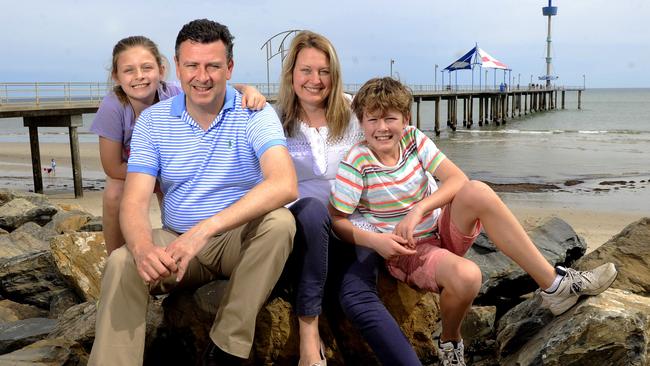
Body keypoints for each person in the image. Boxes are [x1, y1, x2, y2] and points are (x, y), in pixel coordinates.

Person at [329, 77, 618, 366]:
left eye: (390, 118)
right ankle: (451, 341)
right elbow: (337, 219)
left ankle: (554, 285)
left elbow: (457, 179)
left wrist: (418, 209)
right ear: (361, 121)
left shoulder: (412, 139)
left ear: (405, 118)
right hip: (409, 250)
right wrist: (378, 241)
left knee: (477, 190)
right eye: (373, 119)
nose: (382, 127)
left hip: (439, 227)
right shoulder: (357, 162)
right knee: (468, 276)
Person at [88, 19, 298, 366]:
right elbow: (135, 200)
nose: (202, 76)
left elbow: (284, 183)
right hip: (175, 242)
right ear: (178, 67)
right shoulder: (153, 122)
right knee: (122, 260)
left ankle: (226, 348)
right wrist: (142, 249)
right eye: (192, 65)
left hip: (235, 241)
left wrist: (204, 230)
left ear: (229, 68)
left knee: (280, 222)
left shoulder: (254, 114)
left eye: (213, 65)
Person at [90, 35, 267, 255]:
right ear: (116, 76)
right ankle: (116, 255)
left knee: (177, 179)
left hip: (165, 164)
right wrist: (148, 172)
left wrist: (247, 89)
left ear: (161, 70)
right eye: (129, 71)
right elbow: (111, 166)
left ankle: (174, 231)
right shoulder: (113, 106)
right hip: (132, 169)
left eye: (147, 68)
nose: (139, 77)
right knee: (114, 192)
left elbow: (213, 85)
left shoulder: (172, 92)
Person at [276, 30, 364, 366]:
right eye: (306, 71)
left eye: (324, 72)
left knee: (358, 298)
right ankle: (309, 336)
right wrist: (245, 90)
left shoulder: (354, 112)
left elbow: (391, 155)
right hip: (299, 227)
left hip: (347, 226)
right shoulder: (273, 119)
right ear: (291, 75)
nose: (315, 80)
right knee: (312, 211)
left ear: (335, 75)